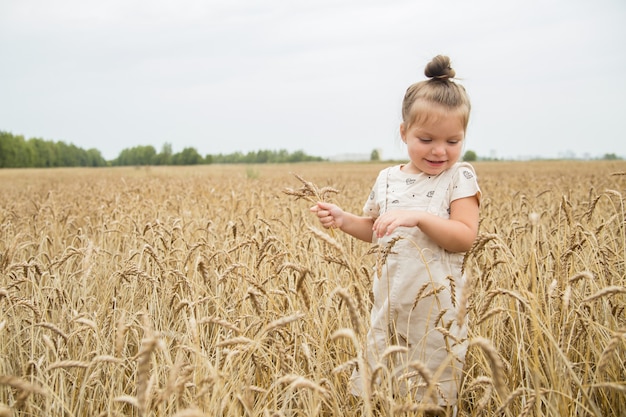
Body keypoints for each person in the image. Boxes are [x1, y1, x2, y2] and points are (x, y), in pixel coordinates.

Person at [311, 55, 481, 415]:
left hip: (437, 316)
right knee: (381, 397)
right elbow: (376, 231)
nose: (440, 150)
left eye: (453, 140)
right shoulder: (388, 178)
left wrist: (418, 217)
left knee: (431, 400)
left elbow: (465, 236)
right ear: (403, 132)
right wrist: (344, 220)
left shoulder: (459, 177)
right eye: (426, 139)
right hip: (388, 310)